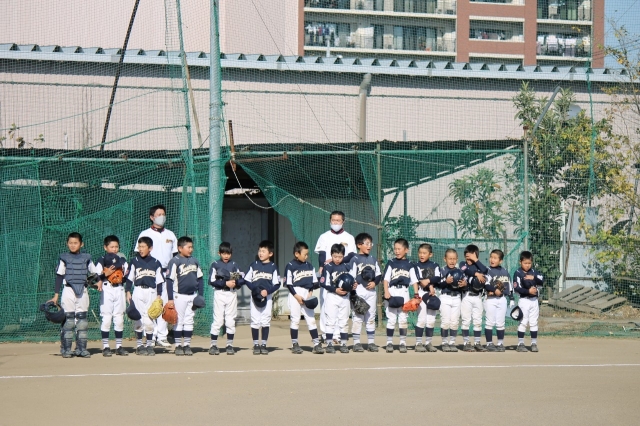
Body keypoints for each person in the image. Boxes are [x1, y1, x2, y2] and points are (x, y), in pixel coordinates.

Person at [48, 232, 98, 358]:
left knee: (82, 321)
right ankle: (66, 349)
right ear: (67, 244)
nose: (73, 245)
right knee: (68, 320)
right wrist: (56, 295)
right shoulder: (64, 258)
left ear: (81, 244)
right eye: (70, 243)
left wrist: (96, 282)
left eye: (75, 243)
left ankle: (81, 349)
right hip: (68, 290)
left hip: (83, 290)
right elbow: (59, 276)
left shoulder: (87, 258)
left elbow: (95, 273)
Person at [134, 204, 177, 348]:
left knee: (163, 305)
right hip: (150, 273)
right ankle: (150, 336)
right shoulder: (145, 234)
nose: (162, 217)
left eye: (163, 214)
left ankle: (162, 336)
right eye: (158, 214)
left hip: (166, 273)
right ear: (152, 217)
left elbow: (175, 256)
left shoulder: (170, 234)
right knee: (151, 306)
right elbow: (138, 254)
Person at [314, 211, 356, 344]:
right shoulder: (324, 236)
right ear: (330, 220)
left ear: (343, 221)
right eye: (333, 220)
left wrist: (338, 261)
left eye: (338, 220)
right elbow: (321, 253)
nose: (335, 223)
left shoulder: (349, 237)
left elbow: (351, 255)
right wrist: (322, 266)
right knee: (325, 302)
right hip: (328, 272)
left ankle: (337, 334)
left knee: (341, 304)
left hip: (343, 273)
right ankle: (325, 333)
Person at [125, 236, 164, 356]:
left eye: (143, 247)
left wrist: (159, 295)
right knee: (138, 319)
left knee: (149, 319)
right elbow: (130, 278)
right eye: (139, 246)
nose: (140, 249)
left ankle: (149, 345)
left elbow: (159, 281)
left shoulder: (156, 263)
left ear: (150, 248)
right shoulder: (134, 261)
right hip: (138, 290)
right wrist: (127, 291)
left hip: (151, 292)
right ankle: (139, 346)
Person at [165, 236, 204, 356]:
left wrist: (200, 295)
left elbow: (200, 279)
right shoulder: (175, 261)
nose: (191, 249)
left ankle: (187, 345)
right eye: (188, 247)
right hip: (179, 296)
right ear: (180, 248)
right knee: (178, 320)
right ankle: (178, 345)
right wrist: (170, 299)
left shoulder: (194, 261)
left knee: (189, 320)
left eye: (192, 247)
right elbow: (169, 281)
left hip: (192, 296)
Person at [284, 241, 324, 354]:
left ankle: (316, 344)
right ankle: (295, 344)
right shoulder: (290, 266)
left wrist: (310, 292)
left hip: (307, 293)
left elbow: (313, 283)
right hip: (295, 293)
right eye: (304, 254)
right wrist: (296, 296)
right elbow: (289, 284)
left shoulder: (310, 266)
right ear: (297, 254)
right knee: (295, 319)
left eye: (307, 254)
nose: (306, 256)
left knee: (311, 319)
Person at [382, 238, 419, 353]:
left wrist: (416, 295)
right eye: (395, 249)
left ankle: (402, 343)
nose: (397, 251)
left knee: (403, 318)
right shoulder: (391, 262)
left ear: (406, 250)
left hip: (404, 292)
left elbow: (414, 281)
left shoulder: (410, 264)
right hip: (392, 291)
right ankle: (389, 343)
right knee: (391, 318)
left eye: (399, 249)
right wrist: (386, 291)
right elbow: (386, 279)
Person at [244, 240, 280, 355]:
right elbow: (246, 279)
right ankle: (256, 344)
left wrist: (267, 291)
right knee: (255, 320)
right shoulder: (254, 265)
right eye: (259, 251)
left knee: (265, 320)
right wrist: (254, 289)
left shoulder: (273, 267)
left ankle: (263, 344)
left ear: (270, 253)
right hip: (255, 296)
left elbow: (277, 284)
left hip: (267, 297)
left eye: (263, 251)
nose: (260, 253)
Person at [95, 235, 129, 357]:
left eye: (116, 246)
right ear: (105, 247)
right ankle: (106, 347)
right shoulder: (102, 259)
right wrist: (105, 274)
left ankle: (119, 346)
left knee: (119, 318)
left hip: (119, 288)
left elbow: (127, 273)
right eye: (111, 246)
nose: (114, 249)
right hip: (107, 288)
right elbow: (96, 275)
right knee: (106, 318)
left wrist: (122, 277)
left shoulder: (122, 259)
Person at [208, 242, 244, 356]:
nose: (226, 256)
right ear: (219, 253)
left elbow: (240, 279)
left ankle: (229, 345)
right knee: (218, 320)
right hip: (220, 293)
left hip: (231, 294)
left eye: (228, 253)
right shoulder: (215, 264)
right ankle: (213, 345)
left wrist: (235, 283)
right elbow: (211, 281)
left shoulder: (234, 264)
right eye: (223, 253)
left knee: (230, 320)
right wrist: (225, 283)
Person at [348, 232, 381, 352]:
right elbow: (351, 276)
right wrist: (353, 292)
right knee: (358, 316)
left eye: (370, 244)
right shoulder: (355, 259)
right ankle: (356, 343)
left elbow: (379, 274)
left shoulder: (373, 259)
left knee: (370, 316)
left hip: (371, 291)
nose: (369, 246)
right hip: (359, 290)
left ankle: (371, 343)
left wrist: (375, 283)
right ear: (359, 245)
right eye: (366, 243)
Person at [320, 244, 353, 354]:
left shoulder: (347, 266)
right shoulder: (328, 267)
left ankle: (343, 344)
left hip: (345, 297)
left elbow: (352, 280)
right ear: (331, 255)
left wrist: (353, 285)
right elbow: (323, 283)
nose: (337, 259)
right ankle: (329, 343)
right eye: (335, 256)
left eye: (340, 256)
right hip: (332, 296)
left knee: (344, 321)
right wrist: (335, 290)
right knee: (330, 321)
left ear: (343, 256)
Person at [513, 251, 544, 352]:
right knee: (523, 322)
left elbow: (542, 281)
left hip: (534, 301)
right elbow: (517, 288)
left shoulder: (534, 272)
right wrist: (528, 291)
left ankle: (533, 343)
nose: (527, 265)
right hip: (524, 301)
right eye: (525, 263)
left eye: (529, 263)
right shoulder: (518, 273)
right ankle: (520, 344)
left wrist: (534, 278)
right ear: (520, 262)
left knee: (534, 322)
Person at [459, 244, 489, 352]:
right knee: (466, 320)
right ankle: (466, 343)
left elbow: (485, 270)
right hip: (466, 296)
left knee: (477, 320)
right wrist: (477, 274)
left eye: (471, 255)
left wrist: (476, 260)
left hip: (478, 297)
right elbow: (465, 270)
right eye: (467, 255)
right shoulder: (463, 264)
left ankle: (477, 343)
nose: (469, 257)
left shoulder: (479, 266)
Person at [413, 243, 441, 353]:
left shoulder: (435, 265)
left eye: (424, 253)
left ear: (430, 254)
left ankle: (428, 343)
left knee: (431, 320)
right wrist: (430, 285)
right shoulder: (416, 266)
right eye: (420, 253)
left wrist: (429, 281)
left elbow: (438, 277)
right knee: (421, 319)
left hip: (432, 294)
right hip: (421, 293)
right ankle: (418, 343)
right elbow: (420, 280)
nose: (421, 255)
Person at [484, 249, 512, 352]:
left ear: (500, 261)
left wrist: (511, 298)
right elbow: (485, 284)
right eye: (491, 257)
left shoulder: (505, 271)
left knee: (500, 322)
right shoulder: (487, 270)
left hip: (502, 299)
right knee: (490, 322)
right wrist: (494, 289)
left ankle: (500, 343)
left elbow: (509, 286)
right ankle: (489, 343)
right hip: (490, 299)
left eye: (495, 258)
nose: (492, 260)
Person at [437, 248, 465, 352]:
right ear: (445, 259)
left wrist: (464, 284)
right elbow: (438, 285)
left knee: (454, 321)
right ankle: (444, 342)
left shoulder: (460, 271)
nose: (452, 261)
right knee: (445, 321)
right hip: (445, 297)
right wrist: (446, 281)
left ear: (457, 259)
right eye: (450, 259)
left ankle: (452, 342)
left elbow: (464, 284)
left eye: (454, 259)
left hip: (456, 297)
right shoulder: (442, 270)